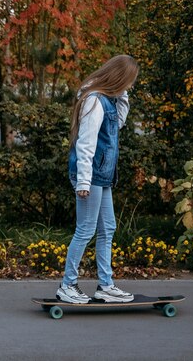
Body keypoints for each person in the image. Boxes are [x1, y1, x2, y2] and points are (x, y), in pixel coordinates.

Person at [57, 55, 139, 304]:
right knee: (85, 230)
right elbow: (85, 142)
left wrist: (122, 95)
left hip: (102, 175)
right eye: (129, 81)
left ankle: (105, 285)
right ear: (119, 76)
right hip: (90, 174)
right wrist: (83, 181)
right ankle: (67, 285)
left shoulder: (109, 101)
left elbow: (118, 125)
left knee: (108, 229)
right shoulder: (94, 101)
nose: (131, 85)